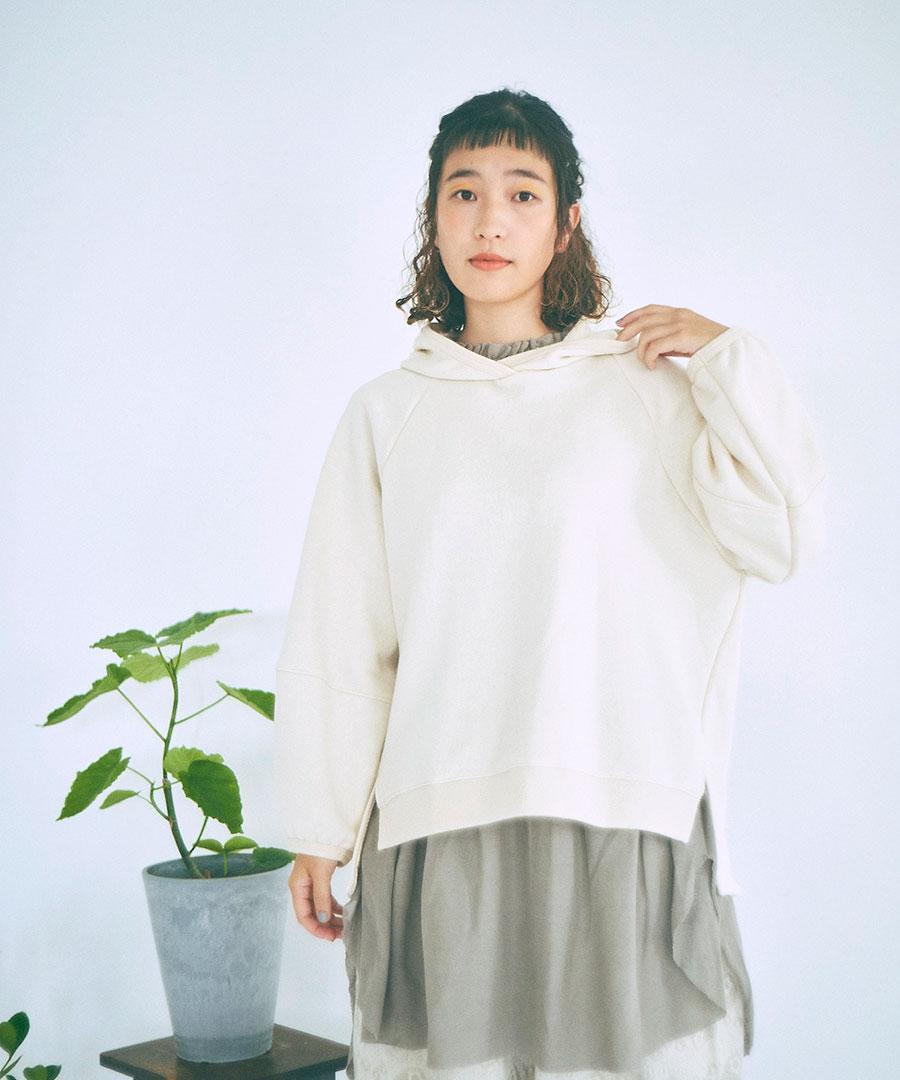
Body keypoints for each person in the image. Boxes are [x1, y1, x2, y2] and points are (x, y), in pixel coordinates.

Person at [274, 88, 827, 1079]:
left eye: (523, 193)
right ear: (433, 217)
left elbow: (782, 535)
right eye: (464, 192)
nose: (490, 220)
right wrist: (320, 827)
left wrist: (728, 359)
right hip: (443, 816)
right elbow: (341, 636)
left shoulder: (646, 389)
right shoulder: (388, 412)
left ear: (566, 223)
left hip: (620, 804)